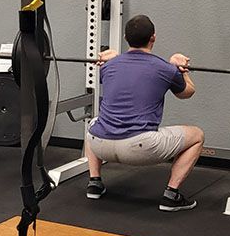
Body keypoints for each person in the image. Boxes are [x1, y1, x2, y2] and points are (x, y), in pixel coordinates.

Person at [83, 14, 204, 212]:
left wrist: (110, 57)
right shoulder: (166, 68)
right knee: (197, 135)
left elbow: (119, 73)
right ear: (153, 38)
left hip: (100, 145)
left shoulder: (108, 67)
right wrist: (181, 69)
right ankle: (171, 195)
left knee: (94, 123)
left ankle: (94, 181)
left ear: (125, 38)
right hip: (140, 148)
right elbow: (187, 93)